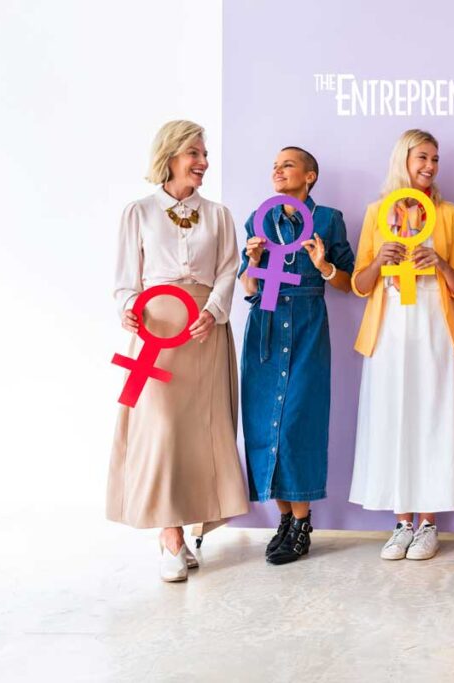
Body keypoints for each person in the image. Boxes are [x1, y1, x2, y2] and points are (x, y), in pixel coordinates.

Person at [109, 120, 248, 582]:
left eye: (204, 153)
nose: (203, 162)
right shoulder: (139, 212)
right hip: (157, 334)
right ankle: (169, 536)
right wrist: (129, 309)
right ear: (169, 156)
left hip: (204, 331)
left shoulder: (219, 215)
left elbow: (228, 269)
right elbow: (125, 282)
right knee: (162, 430)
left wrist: (214, 309)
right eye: (194, 153)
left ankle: (185, 532)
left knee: (200, 434)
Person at [348, 129, 454, 561]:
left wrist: (439, 264)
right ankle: (402, 523)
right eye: (422, 157)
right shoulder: (376, 213)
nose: (430, 166)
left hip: (435, 325)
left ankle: (428, 524)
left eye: (435, 159)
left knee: (432, 416)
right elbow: (359, 284)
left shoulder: (449, 215)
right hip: (389, 329)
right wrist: (379, 261)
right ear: (403, 159)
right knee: (393, 416)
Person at [239, 146, 355, 565]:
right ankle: (284, 519)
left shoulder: (328, 220)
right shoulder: (258, 219)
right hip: (266, 324)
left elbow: (349, 282)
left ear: (310, 176)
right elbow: (249, 288)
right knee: (263, 423)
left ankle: (303, 521)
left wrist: (323, 265)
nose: (278, 171)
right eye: (274, 166)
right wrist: (253, 262)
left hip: (307, 324)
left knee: (297, 423)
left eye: (287, 165)